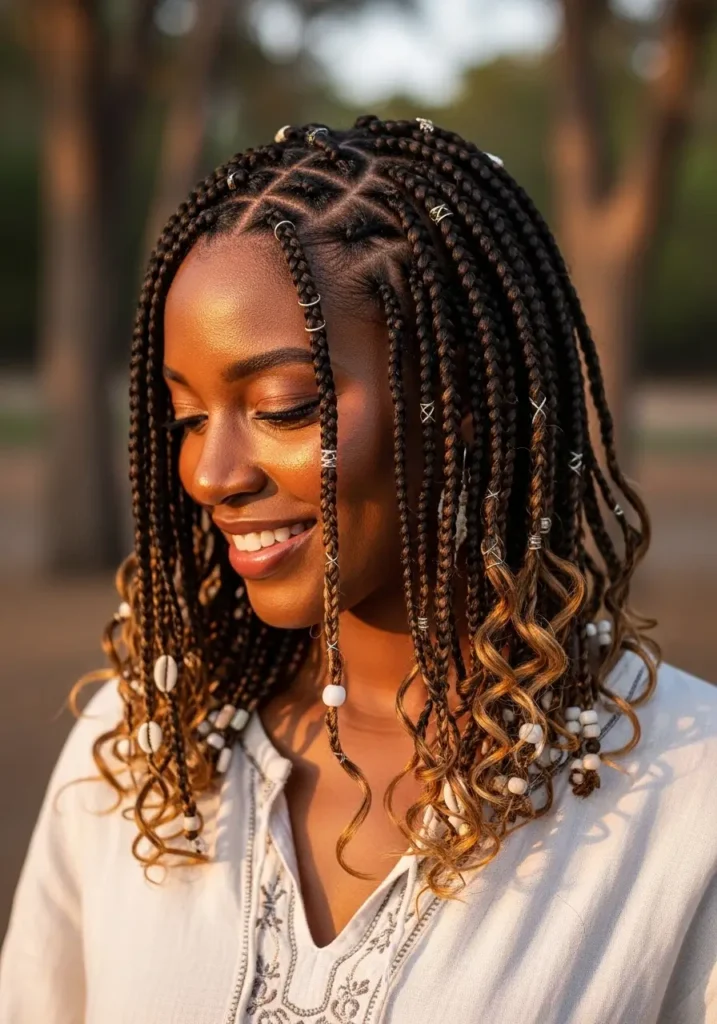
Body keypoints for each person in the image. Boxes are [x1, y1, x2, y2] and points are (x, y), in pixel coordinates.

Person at [1, 116, 715, 1024]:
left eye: (282, 406)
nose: (211, 474)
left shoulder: (687, 796)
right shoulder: (142, 746)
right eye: (187, 419)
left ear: (456, 402)